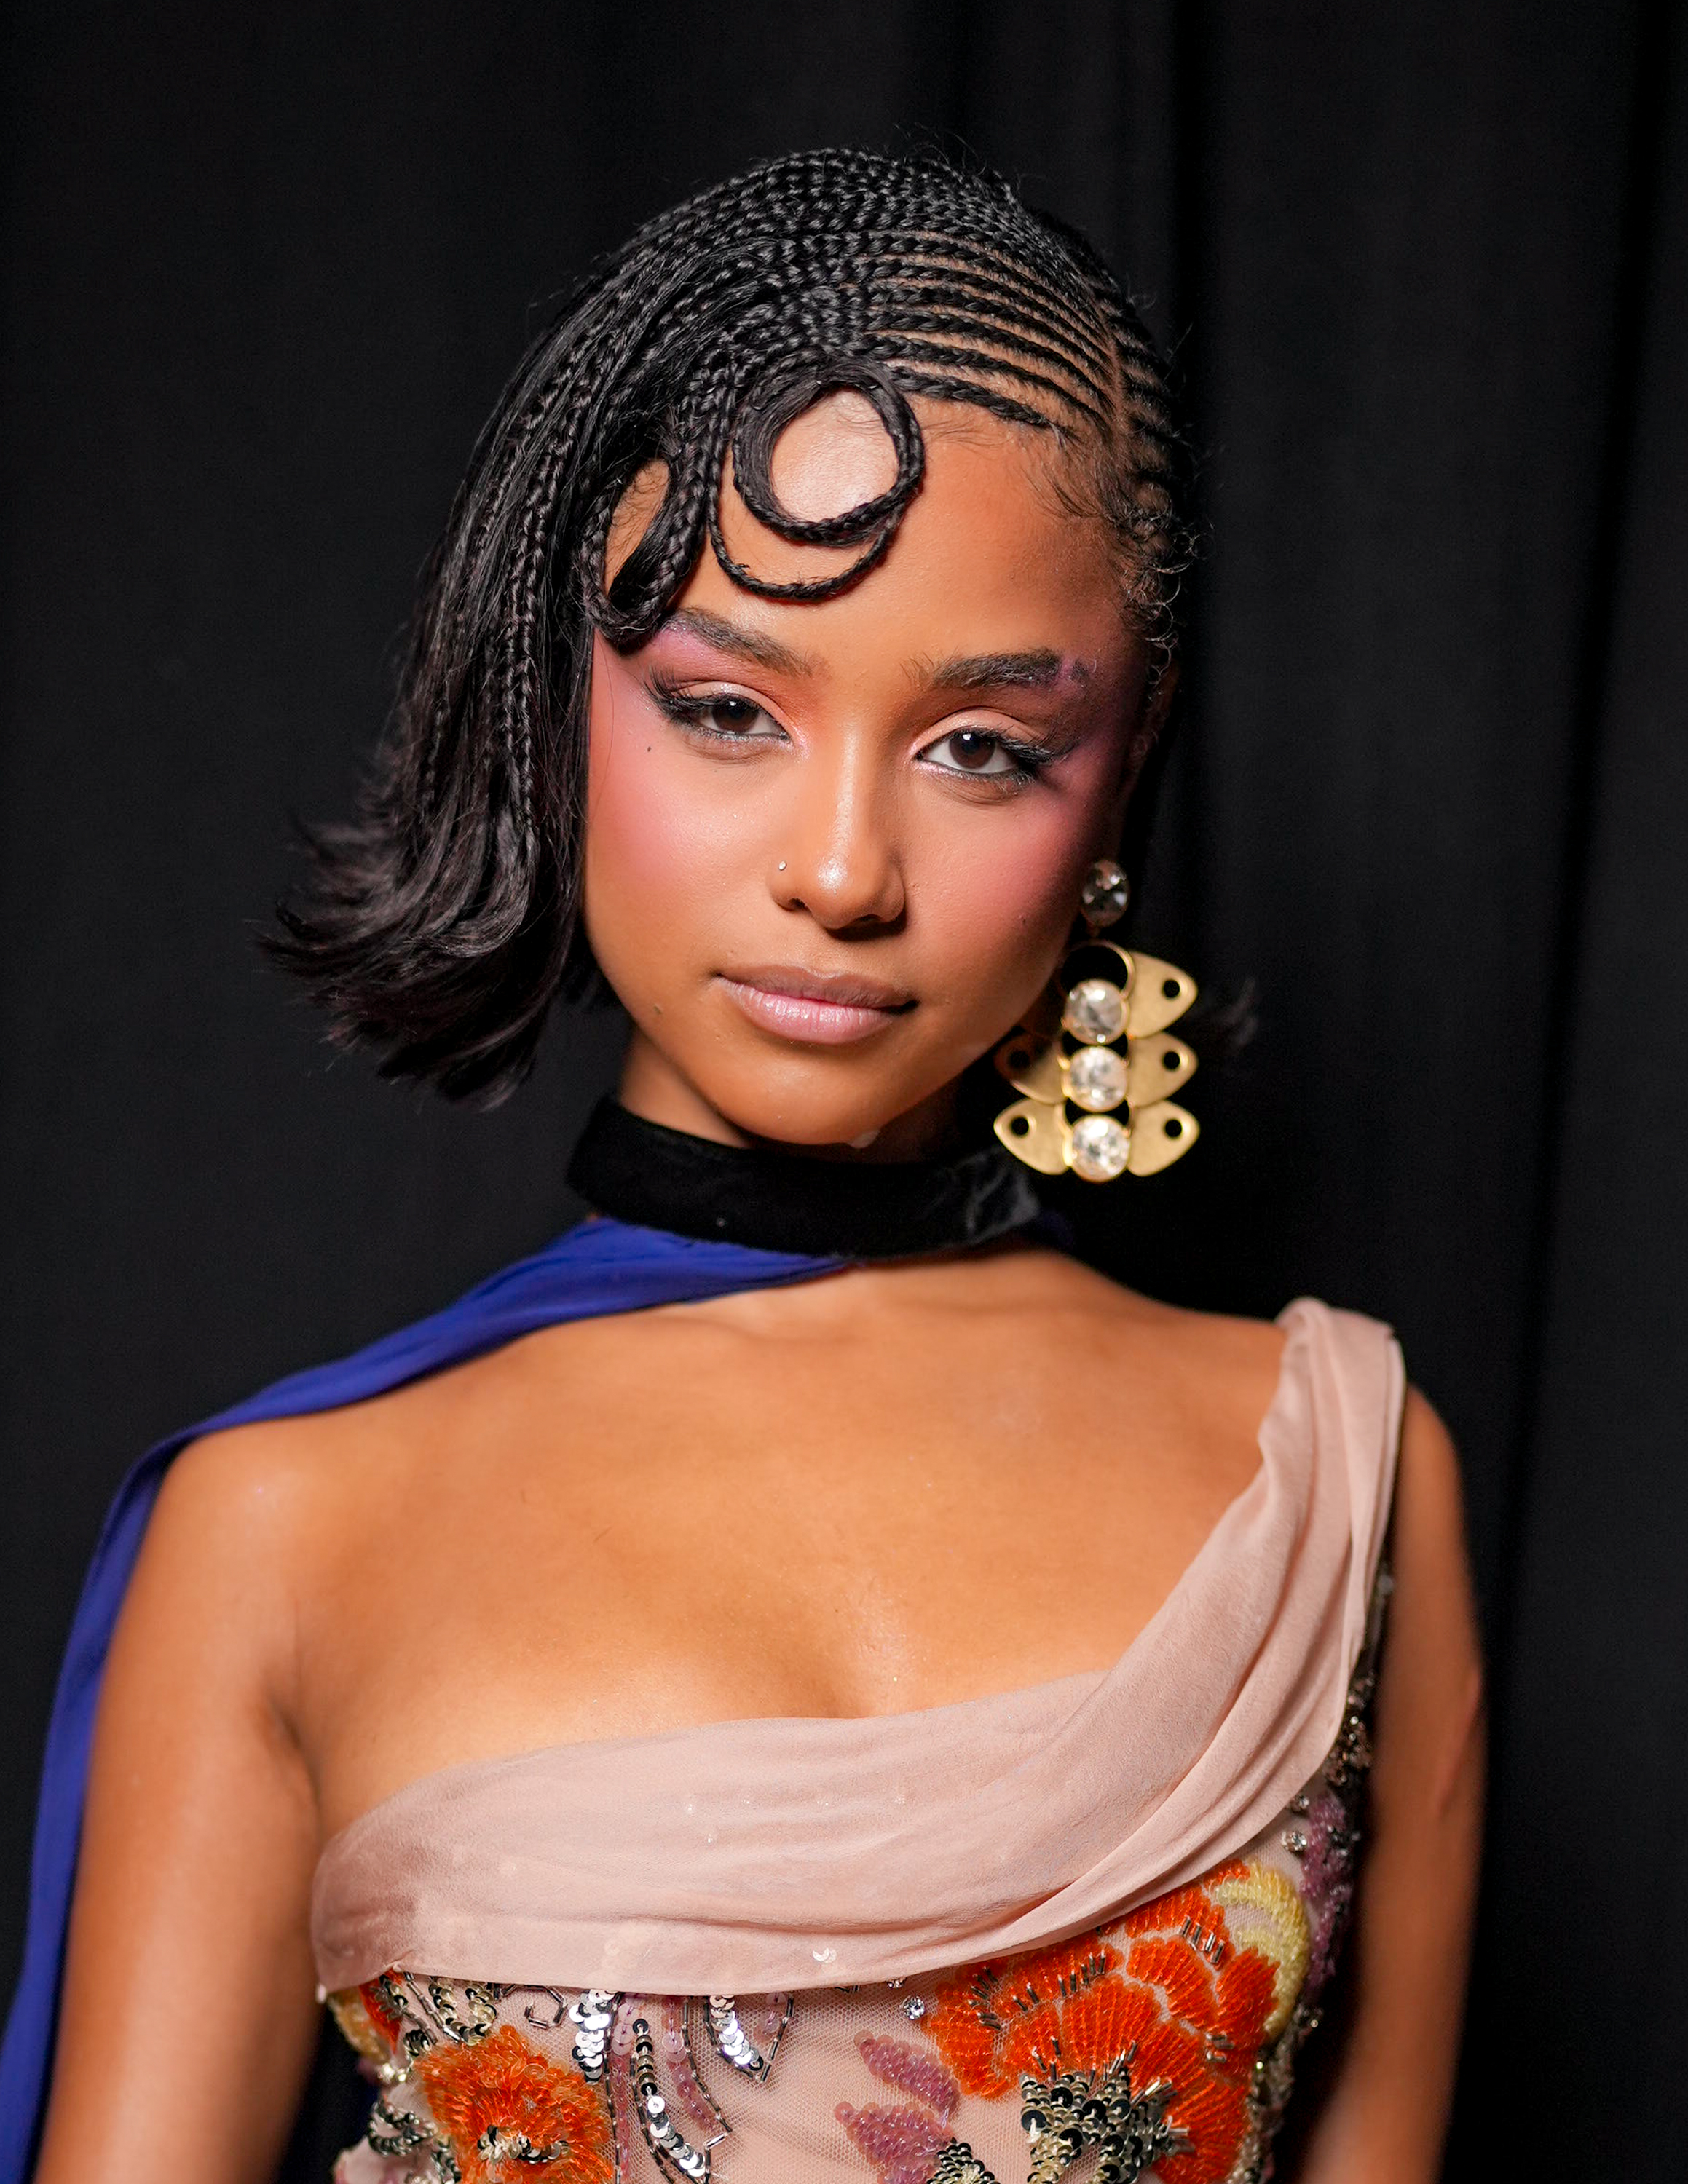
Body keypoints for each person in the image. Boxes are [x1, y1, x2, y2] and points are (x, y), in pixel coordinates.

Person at [6, 149, 1483, 2184]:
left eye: (985, 746)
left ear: (1121, 770)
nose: (842, 871)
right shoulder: (280, 1533)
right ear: (555, 706)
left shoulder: (1340, 1472)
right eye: (724, 708)